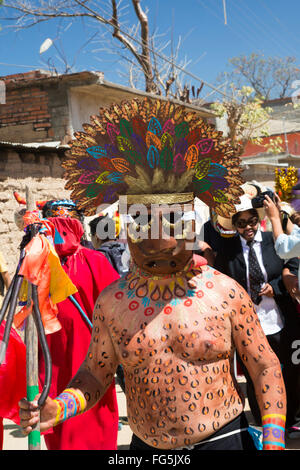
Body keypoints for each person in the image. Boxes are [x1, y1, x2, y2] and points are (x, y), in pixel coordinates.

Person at [19, 97, 287, 451]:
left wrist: (274, 441)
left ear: (191, 225)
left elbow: (265, 366)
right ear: (128, 229)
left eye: (173, 222)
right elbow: (95, 374)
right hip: (146, 447)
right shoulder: (113, 302)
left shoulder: (225, 293)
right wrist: (60, 407)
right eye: (142, 223)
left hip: (223, 439)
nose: (159, 240)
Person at [214, 196, 300, 437]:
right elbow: (222, 280)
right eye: (241, 224)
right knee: (255, 374)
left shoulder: (275, 242)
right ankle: (265, 422)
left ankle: (291, 418)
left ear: (258, 220)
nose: (248, 227)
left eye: (252, 221)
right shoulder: (228, 250)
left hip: (280, 318)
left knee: (289, 370)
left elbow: (292, 265)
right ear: (235, 226)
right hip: (249, 323)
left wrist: (276, 286)